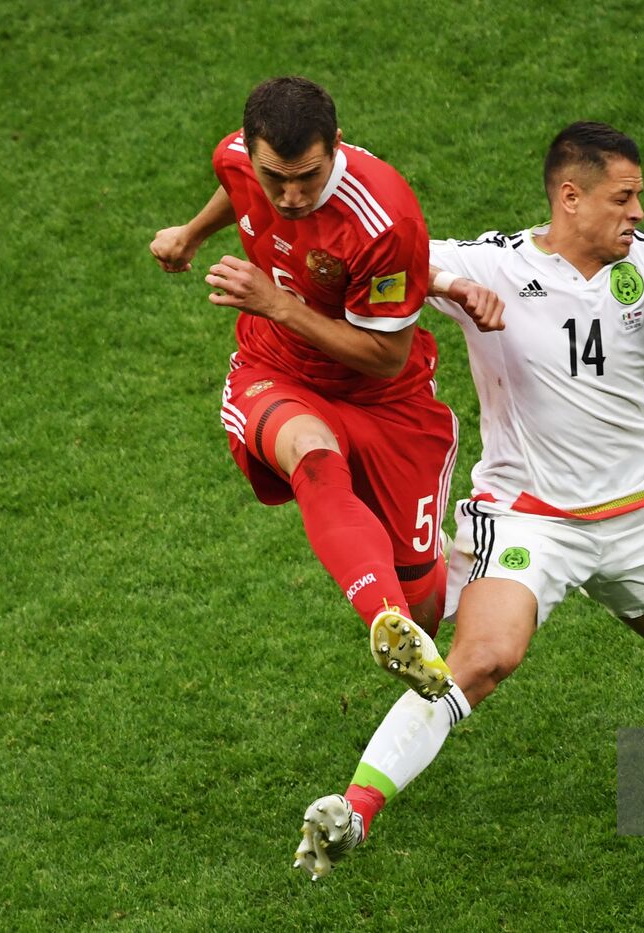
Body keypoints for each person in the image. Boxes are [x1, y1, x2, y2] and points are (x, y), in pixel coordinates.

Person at [293, 121, 644, 880]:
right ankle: (353, 810)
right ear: (571, 197)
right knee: (481, 658)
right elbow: (386, 257)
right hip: (529, 522)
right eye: (625, 197)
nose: (639, 212)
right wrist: (445, 279)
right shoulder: (493, 264)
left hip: (638, 521)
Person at [149, 77, 498, 700]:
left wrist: (277, 303)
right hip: (275, 369)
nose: (289, 195)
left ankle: (430, 589)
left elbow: (385, 359)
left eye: (307, 176)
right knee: (310, 452)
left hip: (384, 400)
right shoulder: (238, 160)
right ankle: (384, 623)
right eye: (273, 176)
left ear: (335, 144)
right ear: (251, 150)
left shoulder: (384, 219)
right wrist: (193, 232)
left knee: (425, 598)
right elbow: (236, 187)